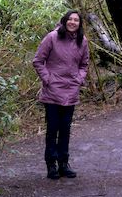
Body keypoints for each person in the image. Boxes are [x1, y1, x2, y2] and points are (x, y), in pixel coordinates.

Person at [32, 10, 90, 180]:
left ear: (79, 24)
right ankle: (51, 165)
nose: (73, 22)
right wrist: (47, 78)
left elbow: (84, 64)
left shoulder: (82, 41)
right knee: (52, 129)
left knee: (65, 129)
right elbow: (37, 61)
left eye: (76, 20)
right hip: (52, 91)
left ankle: (64, 164)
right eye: (70, 19)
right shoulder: (52, 37)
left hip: (71, 91)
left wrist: (79, 79)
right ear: (65, 21)